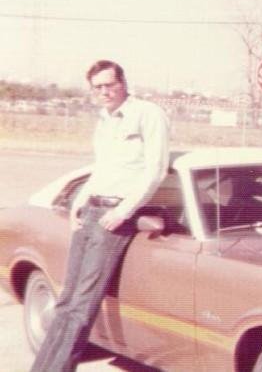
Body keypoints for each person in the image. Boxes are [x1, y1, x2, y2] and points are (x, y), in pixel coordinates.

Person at [31, 60, 170, 371]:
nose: (105, 92)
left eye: (110, 85)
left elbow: (156, 171)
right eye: (98, 87)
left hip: (114, 216)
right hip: (90, 210)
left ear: (123, 82)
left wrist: (123, 212)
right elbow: (101, 169)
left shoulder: (147, 114)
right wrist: (78, 203)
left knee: (82, 305)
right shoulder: (104, 121)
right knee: (66, 301)